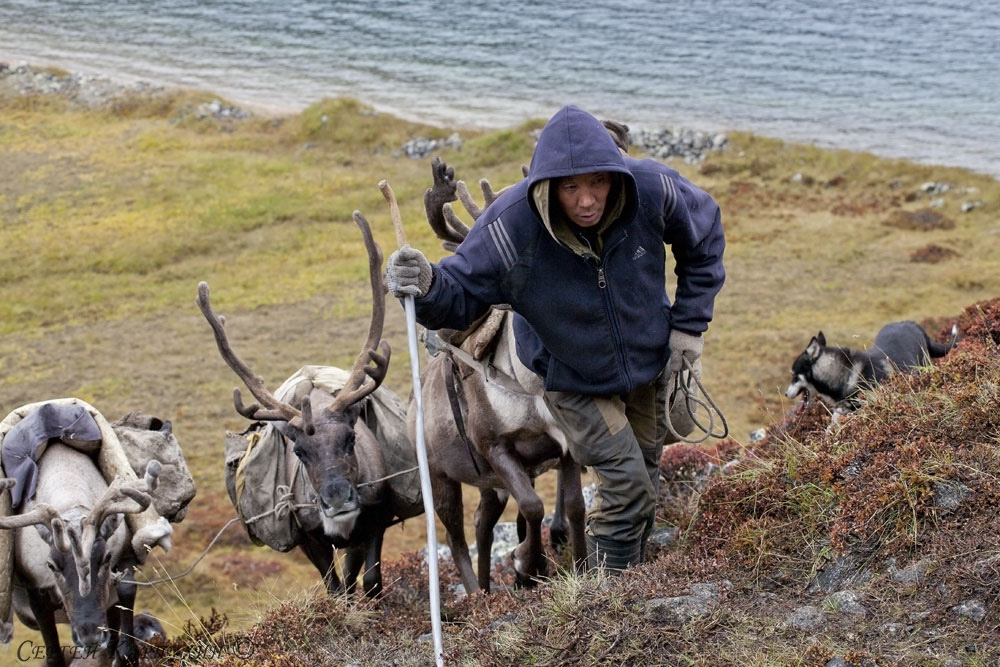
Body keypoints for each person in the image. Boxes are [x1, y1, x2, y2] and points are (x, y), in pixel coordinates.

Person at [386, 104, 725, 572]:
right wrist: (424, 285)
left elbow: (704, 233)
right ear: (547, 186)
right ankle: (609, 601)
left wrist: (689, 327)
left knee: (643, 479)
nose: (587, 200)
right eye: (571, 188)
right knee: (626, 485)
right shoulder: (511, 225)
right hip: (571, 380)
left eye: (598, 183)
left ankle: (636, 583)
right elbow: (458, 294)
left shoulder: (650, 187)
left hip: (647, 367)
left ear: (615, 173)